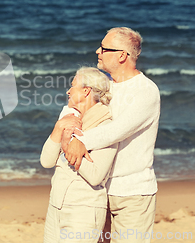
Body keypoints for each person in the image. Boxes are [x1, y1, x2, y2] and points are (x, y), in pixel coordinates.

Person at [62, 27, 160, 243]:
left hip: (132, 192)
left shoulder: (146, 91)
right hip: (97, 190)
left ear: (122, 55)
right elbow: (78, 111)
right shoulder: (105, 87)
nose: (98, 50)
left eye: (104, 48)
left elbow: (117, 130)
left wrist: (80, 141)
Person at [40, 67, 117, 243]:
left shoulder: (106, 126)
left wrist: (67, 149)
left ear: (86, 91)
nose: (68, 91)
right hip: (56, 205)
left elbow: (96, 175)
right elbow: (46, 161)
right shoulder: (69, 120)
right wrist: (58, 128)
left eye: (72, 86)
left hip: (84, 209)